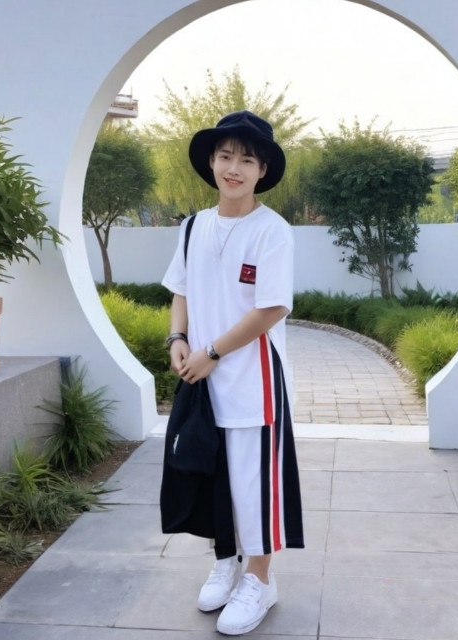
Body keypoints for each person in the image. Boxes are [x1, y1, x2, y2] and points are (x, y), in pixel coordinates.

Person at [161, 110, 304, 636]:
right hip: (203, 378)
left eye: (247, 160)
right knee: (213, 476)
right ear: (211, 162)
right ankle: (226, 560)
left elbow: (271, 308)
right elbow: (180, 290)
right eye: (225, 157)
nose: (234, 168)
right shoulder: (193, 226)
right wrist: (178, 339)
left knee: (253, 483)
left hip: (252, 381)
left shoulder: (272, 231)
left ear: (262, 170)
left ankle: (260, 580)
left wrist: (212, 351)